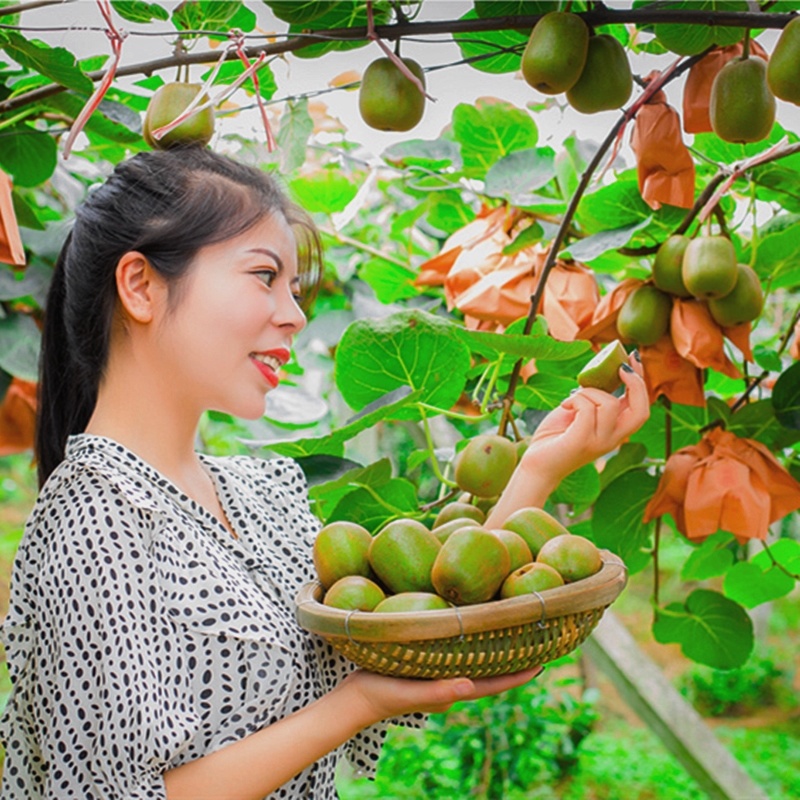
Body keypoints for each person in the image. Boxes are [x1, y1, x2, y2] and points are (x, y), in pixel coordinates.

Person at [0, 146, 649, 800]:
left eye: (294, 288)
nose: (296, 314)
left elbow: (422, 621)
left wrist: (539, 466)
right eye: (264, 276)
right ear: (141, 285)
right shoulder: (93, 517)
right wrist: (357, 705)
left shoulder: (265, 495)